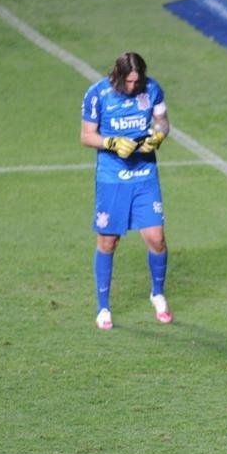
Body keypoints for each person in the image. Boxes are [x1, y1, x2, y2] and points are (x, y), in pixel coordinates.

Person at [80, 52, 172, 330]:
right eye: (128, 81)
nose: (133, 87)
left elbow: (163, 121)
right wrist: (112, 142)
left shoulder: (152, 89)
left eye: (137, 81)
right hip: (112, 178)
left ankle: (157, 294)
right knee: (108, 242)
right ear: (118, 75)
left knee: (157, 239)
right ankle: (103, 307)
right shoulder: (97, 94)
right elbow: (86, 135)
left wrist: (158, 136)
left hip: (144, 175)